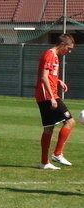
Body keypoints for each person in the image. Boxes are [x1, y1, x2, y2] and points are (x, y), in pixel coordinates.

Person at [35, 33, 76, 170]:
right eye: (69, 48)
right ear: (62, 44)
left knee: (49, 128)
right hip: (48, 97)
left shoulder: (54, 56)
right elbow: (44, 77)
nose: (69, 52)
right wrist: (52, 97)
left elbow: (49, 75)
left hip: (46, 95)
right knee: (70, 121)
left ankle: (44, 162)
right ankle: (57, 154)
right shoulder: (50, 55)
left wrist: (58, 81)